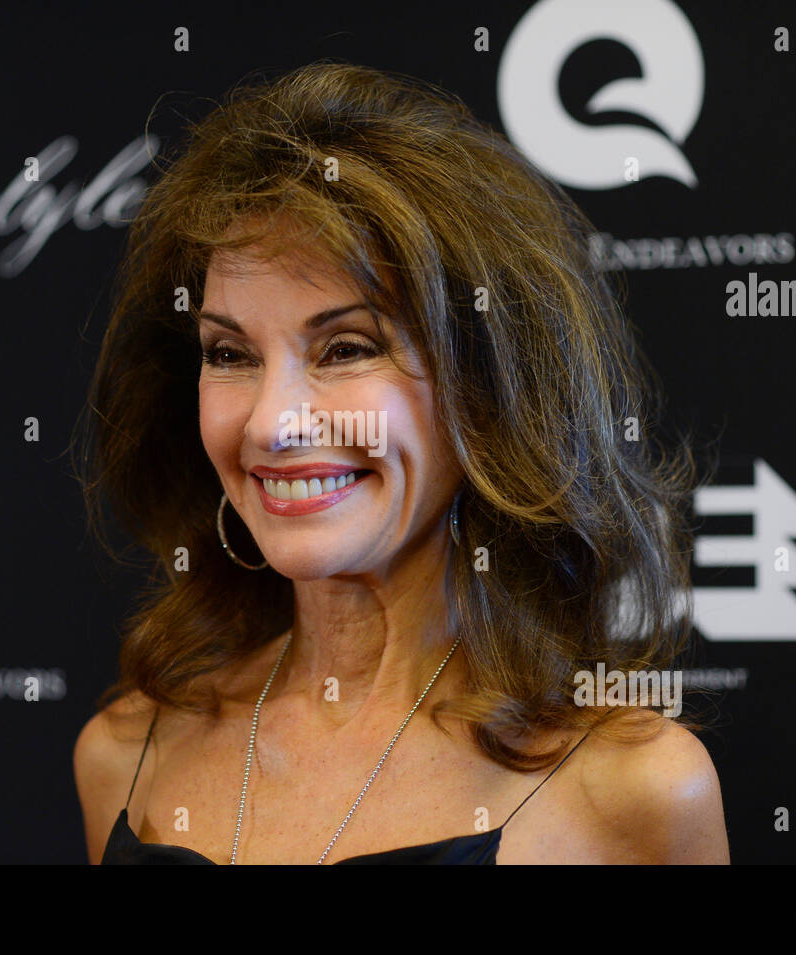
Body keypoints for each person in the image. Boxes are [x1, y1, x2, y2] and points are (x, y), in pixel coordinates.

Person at [71, 61, 729, 864]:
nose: (273, 424)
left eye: (346, 347)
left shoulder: (635, 791)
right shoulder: (125, 754)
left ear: (486, 391)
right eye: (230, 352)